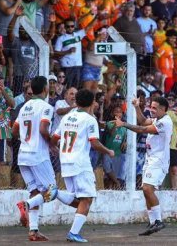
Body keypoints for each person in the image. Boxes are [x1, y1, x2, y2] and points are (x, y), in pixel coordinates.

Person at [13, 76, 75, 241]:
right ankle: (26, 204)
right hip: (38, 156)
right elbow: (42, 128)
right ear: (46, 89)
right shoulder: (46, 107)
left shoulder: (24, 107)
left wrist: (26, 139)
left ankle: (33, 231)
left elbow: (14, 130)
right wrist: (51, 144)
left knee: (35, 191)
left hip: (23, 156)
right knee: (51, 190)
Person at [51, 89, 114, 243]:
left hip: (65, 162)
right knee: (87, 199)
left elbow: (55, 137)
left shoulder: (67, 117)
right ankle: (73, 232)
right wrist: (108, 151)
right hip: (80, 163)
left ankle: (56, 193)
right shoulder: (89, 119)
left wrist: (56, 148)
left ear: (76, 101)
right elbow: (94, 142)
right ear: (92, 102)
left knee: (76, 199)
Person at [114, 96, 173, 236]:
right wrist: (136, 106)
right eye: (151, 107)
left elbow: (142, 129)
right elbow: (142, 121)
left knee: (147, 188)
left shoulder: (165, 122)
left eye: (155, 108)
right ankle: (153, 223)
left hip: (159, 161)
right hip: (150, 158)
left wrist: (124, 124)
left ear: (163, 109)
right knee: (146, 190)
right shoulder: (157, 119)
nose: (151, 110)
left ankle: (158, 221)